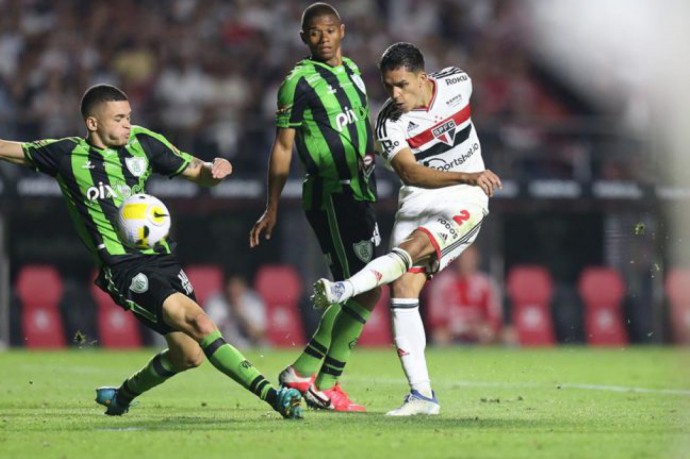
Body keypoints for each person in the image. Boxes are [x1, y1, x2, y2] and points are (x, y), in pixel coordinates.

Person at [0, 84, 303, 420]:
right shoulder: (65, 155)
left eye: (128, 116)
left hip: (161, 259)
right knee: (198, 320)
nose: (128, 123)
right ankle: (274, 397)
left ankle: (121, 397)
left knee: (190, 354)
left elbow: (196, 171)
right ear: (92, 123)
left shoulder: (145, 143)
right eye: (119, 118)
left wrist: (216, 171)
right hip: (123, 268)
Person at [312, 43, 502, 416]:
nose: (395, 95)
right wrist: (467, 170)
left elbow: (463, 119)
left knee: (413, 249)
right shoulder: (388, 123)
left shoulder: (458, 82)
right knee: (403, 284)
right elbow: (411, 173)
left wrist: (469, 176)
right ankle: (422, 397)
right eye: (388, 88)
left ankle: (343, 289)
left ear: (422, 77)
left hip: (467, 197)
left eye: (401, 85)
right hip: (418, 197)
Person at [249, 2, 380, 412]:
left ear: (342, 30)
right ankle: (323, 382)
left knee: (359, 289)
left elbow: (359, 125)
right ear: (303, 37)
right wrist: (272, 206)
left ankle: (305, 372)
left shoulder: (355, 72)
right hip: (331, 196)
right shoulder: (297, 83)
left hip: (360, 192)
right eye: (314, 32)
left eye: (329, 30)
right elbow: (283, 147)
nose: (323, 39)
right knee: (364, 288)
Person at [427, 245, 504, 345]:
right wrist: (454, 328)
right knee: (438, 335)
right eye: (463, 258)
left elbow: (494, 316)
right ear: (456, 260)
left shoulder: (486, 283)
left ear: (476, 259)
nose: (467, 262)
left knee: (499, 334)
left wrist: (481, 327)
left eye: (470, 258)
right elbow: (435, 317)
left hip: (479, 330)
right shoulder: (443, 283)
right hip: (451, 330)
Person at [204, 272, 267, 349]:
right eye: (232, 286)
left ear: (243, 286)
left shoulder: (253, 300)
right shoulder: (215, 301)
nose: (234, 290)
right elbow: (209, 335)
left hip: (249, 346)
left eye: (237, 286)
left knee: (265, 345)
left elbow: (259, 335)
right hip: (223, 347)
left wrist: (241, 314)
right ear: (225, 287)